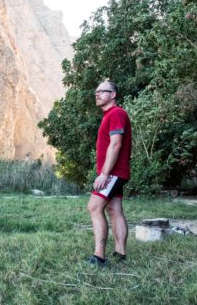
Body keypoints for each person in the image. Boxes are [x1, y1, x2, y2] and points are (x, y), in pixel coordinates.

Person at [87, 81, 132, 267]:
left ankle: (99, 257)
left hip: (113, 172)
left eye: (102, 92)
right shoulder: (109, 115)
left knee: (94, 207)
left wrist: (104, 174)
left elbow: (116, 144)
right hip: (116, 172)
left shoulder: (116, 113)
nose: (97, 94)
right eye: (96, 92)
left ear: (113, 95)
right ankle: (120, 254)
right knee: (114, 209)